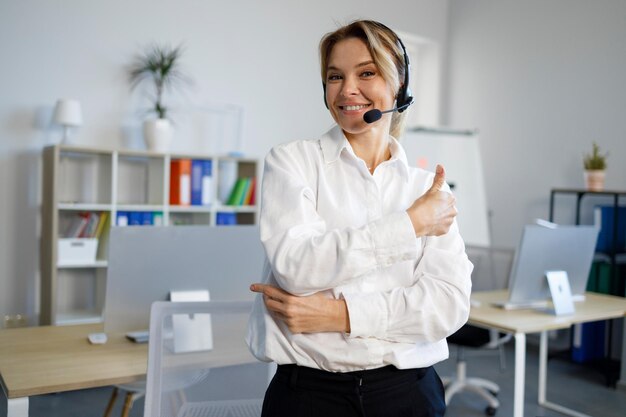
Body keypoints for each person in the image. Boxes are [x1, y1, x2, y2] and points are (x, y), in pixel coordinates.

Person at [246, 19, 473, 417]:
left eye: (366, 72)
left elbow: (448, 305)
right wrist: (410, 226)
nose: (347, 89)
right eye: (335, 76)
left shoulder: (429, 190)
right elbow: (298, 268)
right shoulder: (293, 162)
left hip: (408, 393)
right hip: (308, 394)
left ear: (398, 85)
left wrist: (338, 314)